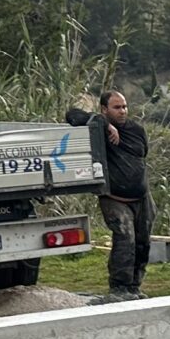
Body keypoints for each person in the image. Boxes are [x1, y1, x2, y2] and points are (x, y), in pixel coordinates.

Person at [65, 88, 152, 297]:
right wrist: (105, 124)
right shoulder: (98, 128)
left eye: (124, 106)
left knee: (142, 243)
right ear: (105, 109)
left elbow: (142, 154)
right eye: (117, 107)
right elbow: (72, 115)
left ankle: (134, 286)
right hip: (114, 198)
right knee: (125, 240)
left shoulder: (137, 130)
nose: (122, 111)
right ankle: (119, 287)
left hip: (141, 197)